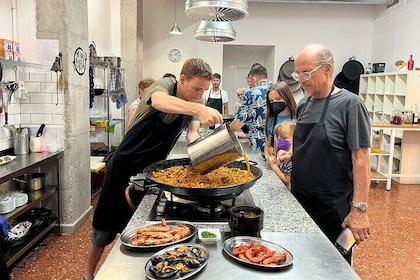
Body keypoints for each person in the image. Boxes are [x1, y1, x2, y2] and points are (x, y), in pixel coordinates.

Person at [85, 58, 223, 280]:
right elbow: (158, 101)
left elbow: (192, 134)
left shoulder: (191, 103)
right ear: (183, 79)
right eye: (197, 88)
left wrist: (203, 157)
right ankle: (88, 276)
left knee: (145, 233)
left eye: (204, 90)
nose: (199, 94)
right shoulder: (165, 85)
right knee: (103, 230)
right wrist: (198, 107)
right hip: (123, 169)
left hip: (151, 174)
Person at [277, 43, 371, 263]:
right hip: (300, 199)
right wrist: (290, 153)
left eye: (306, 73)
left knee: (333, 265)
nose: (300, 79)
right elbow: (308, 143)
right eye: (297, 73)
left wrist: (359, 210)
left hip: (332, 206)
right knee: (301, 261)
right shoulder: (304, 104)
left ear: (327, 69)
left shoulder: (350, 104)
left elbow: (361, 160)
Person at [230, 64, 272, 153]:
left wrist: (228, 130)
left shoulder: (250, 93)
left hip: (258, 140)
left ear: (254, 79)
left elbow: (239, 122)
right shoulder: (277, 89)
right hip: (276, 139)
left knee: (260, 165)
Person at [264, 81, 297, 180]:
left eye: (278, 99)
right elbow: (268, 144)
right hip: (278, 168)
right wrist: (268, 157)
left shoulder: (298, 118)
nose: (275, 103)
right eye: (271, 101)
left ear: (287, 97)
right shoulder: (271, 120)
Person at [271, 121, 295, 190]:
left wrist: (274, 166)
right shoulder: (279, 152)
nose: (281, 140)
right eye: (279, 138)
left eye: (284, 138)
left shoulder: (291, 160)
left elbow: (288, 184)